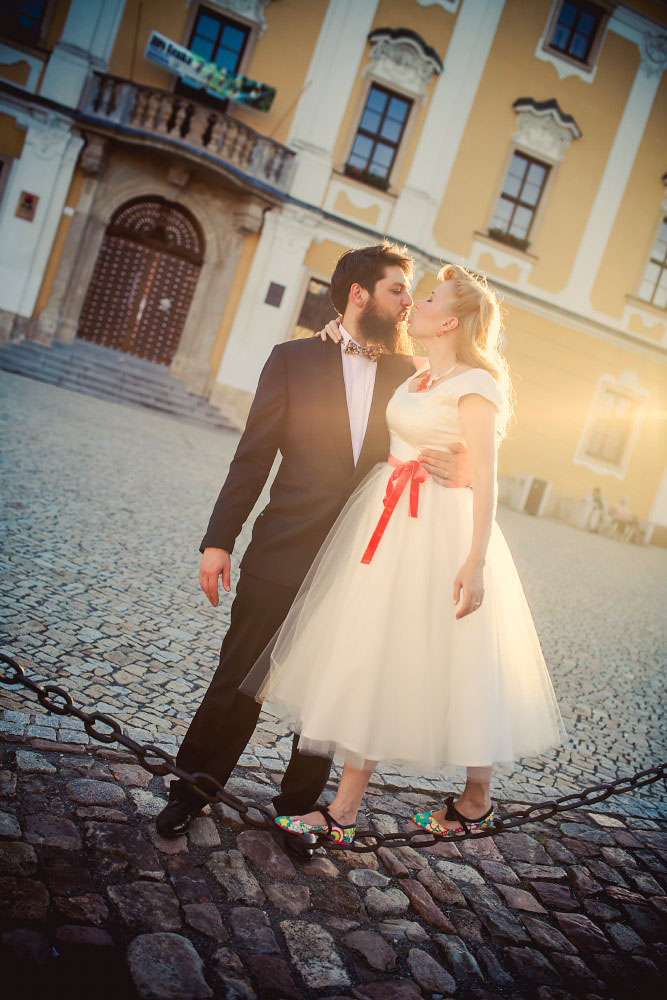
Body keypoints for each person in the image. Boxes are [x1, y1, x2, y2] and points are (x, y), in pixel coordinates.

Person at [155, 243, 471, 838]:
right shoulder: (291, 360)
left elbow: (465, 418)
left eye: (411, 293)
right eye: (397, 290)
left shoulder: (411, 376)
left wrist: (466, 467)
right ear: (359, 294)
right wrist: (219, 540)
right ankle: (191, 790)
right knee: (237, 678)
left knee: (332, 685)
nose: (408, 302)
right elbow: (252, 457)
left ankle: (300, 809)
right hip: (283, 548)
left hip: (363, 559)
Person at [243, 263, 566, 843]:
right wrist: (332, 332)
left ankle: (443, 801)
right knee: (375, 649)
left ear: (452, 322)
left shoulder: (477, 385)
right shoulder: (420, 374)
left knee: (448, 655)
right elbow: (363, 356)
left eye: (432, 297)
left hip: (438, 530)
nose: (418, 302)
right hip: (385, 520)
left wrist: (475, 562)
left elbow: (488, 480)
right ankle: (397, 805)